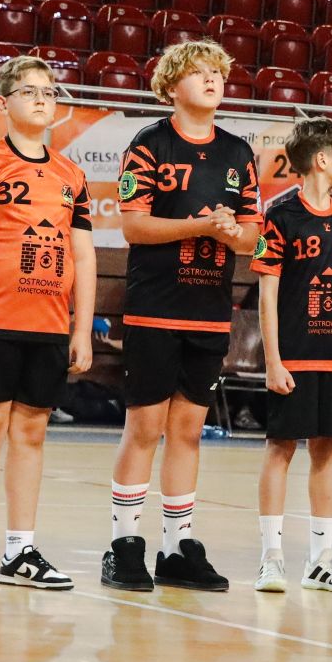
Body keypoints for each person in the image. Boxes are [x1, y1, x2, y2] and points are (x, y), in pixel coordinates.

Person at [102, 40, 261, 592]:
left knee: (188, 432)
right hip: (155, 306)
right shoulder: (150, 143)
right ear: (171, 87)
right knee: (145, 426)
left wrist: (232, 232)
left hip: (209, 309)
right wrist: (200, 226)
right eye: (198, 72)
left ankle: (176, 547)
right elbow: (134, 225)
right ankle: (124, 545)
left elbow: (252, 235)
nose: (212, 79)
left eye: (218, 71)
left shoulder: (238, 152)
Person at [0, 55, 95, 590]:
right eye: (29, 91)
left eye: (49, 92)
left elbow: (83, 254)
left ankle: (20, 551)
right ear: (2, 102)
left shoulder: (71, 175)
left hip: (48, 324)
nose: (41, 100)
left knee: (31, 434)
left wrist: (81, 329)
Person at [251, 117, 332, 594]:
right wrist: (273, 360)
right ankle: (271, 557)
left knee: (327, 449)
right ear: (321, 160)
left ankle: (321, 560)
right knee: (279, 448)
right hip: (294, 357)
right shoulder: (281, 217)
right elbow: (267, 294)